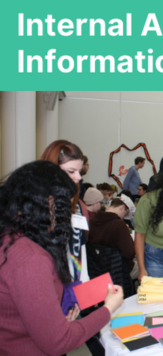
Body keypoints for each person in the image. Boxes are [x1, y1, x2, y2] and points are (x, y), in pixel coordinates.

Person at [0, 161, 124, 356]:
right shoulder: (30, 257)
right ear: (46, 203)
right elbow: (58, 341)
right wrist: (108, 308)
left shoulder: (10, 238)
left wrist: (54, 321)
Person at [41, 140, 91, 284]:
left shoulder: (76, 203)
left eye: (79, 171)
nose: (78, 177)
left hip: (73, 283)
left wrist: (84, 281)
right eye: (71, 171)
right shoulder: (35, 208)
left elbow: (79, 245)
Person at [88, 197, 138, 279]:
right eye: (125, 214)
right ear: (122, 208)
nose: (123, 217)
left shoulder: (91, 221)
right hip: (118, 269)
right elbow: (129, 253)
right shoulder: (119, 224)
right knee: (145, 269)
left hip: (96, 268)